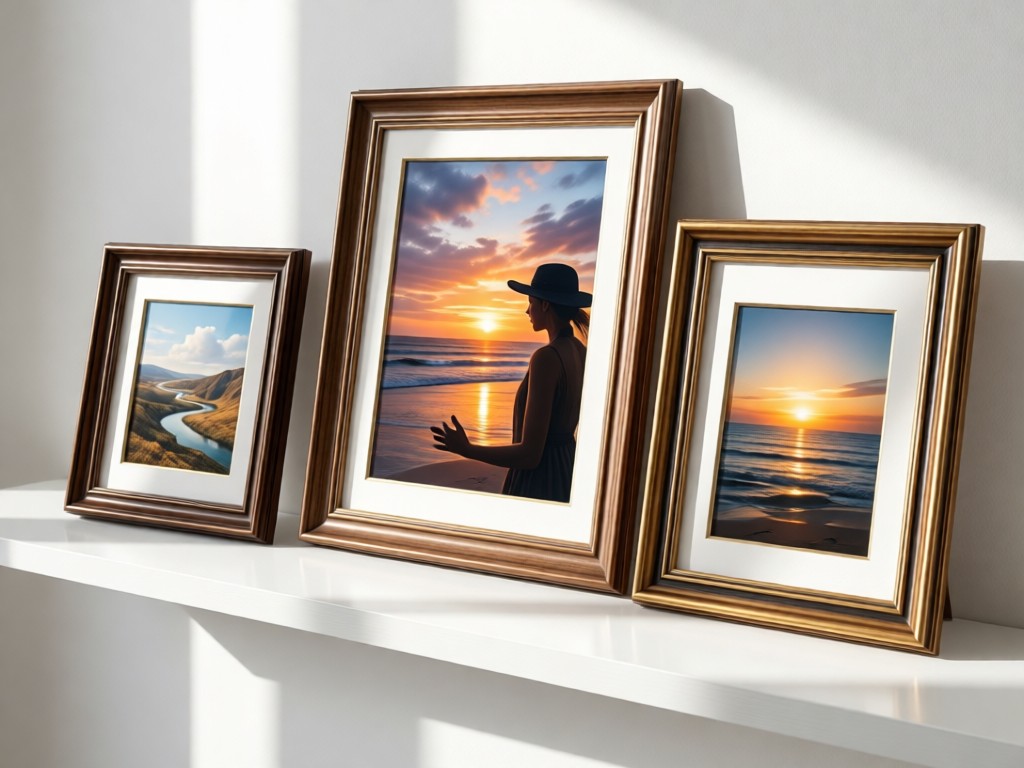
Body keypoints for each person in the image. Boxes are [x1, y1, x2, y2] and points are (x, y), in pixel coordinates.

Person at [430, 263, 590, 503]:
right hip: (567, 470)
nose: (527, 311)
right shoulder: (580, 351)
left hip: (539, 481)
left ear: (545, 304)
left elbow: (530, 455)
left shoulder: (547, 357)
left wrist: (466, 449)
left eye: (530, 302)